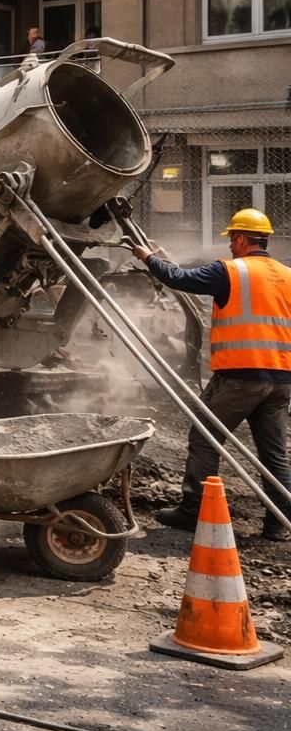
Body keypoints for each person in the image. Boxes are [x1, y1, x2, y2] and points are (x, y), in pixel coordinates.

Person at [132, 209, 291, 541]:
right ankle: (280, 522)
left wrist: (146, 257)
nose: (231, 245)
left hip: (240, 377)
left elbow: (179, 279)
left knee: (203, 437)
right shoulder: (287, 276)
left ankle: (194, 511)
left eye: (233, 238)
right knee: (273, 453)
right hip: (280, 380)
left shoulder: (230, 271)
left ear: (242, 238)